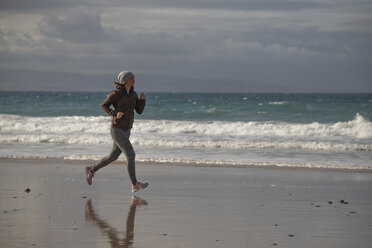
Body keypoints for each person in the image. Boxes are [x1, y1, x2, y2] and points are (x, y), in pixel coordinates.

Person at [85, 71, 149, 192]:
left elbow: (139, 111)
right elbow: (104, 106)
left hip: (127, 130)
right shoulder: (117, 93)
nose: (134, 80)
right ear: (125, 80)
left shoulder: (133, 94)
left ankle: (91, 169)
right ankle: (134, 184)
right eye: (131, 78)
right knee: (131, 154)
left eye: (134, 77)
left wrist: (142, 101)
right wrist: (115, 113)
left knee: (112, 157)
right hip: (117, 129)